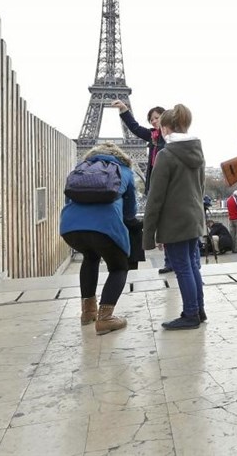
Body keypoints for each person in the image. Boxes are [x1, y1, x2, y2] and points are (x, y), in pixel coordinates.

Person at [60, 142, 137, 335]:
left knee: (90, 257)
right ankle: (105, 318)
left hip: (71, 227)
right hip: (105, 227)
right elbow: (130, 211)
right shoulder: (124, 170)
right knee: (119, 267)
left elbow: (68, 198)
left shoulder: (81, 168)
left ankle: (88, 312)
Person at [143, 104, 207, 329]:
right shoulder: (197, 152)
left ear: (167, 128)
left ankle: (190, 314)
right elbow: (200, 188)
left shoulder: (166, 155)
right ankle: (198, 309)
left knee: (182, 268)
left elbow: (155, 198)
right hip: (193, 219)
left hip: (174, 222)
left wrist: (149, 234)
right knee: (192, 266)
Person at [112, 99, 175, 275]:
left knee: (169, 225)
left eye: (157, 117)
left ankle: (175, 261)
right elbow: (135, 128)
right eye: (151, 119)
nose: (154, 121)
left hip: (167, 186)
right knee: (164, 225)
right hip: (156, 184)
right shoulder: (153, 137)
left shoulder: (171, 138)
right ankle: (169, 261)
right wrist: (124, 110)